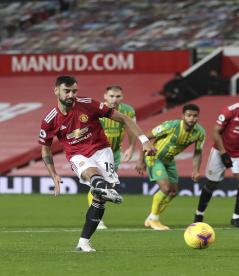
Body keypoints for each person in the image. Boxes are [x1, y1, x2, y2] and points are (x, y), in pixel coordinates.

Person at [38, 75, 155, 252]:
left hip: (102, 152)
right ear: (56, 91)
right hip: (77, 155)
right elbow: (45, 148)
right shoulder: (50, 120)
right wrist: (53, 174)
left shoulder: (88, 104)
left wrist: (144, 140)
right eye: (66, 91)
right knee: (94, 176)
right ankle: (103, 187)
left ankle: (83, 242)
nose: (71, 95)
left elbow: (125, 119)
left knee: (99, 201)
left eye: (74, 91)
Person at [193, 86, 239, 228]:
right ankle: (199, 213)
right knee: (212, 183)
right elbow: (215, 132)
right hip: (220, 150)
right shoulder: (230, 110)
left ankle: (236, 217)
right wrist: (223, 153)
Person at [136, 104, 206, 230]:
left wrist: (196, 170)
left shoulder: (200, 133)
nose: (192, 118)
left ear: (198, 117)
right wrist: (140, 160)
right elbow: (145, 137)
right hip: (155, 158)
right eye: (189, 115)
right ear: (183, 116)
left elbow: (198, 153)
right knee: (165, 188)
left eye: (195, 116)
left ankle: (151, 218)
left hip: (169, 161)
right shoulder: (171, 126)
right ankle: (154, 219)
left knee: (173, 192)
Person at [86, 85, 137, 230]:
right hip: (96, 150)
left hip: (114, 152)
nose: (115, 99)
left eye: (118, 96)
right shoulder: (97, 109)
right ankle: (95, 217)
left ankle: (96, 214)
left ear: (122, 97)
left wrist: (132, 147)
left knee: (108, 185)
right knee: (97, 183)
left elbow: (132, 128)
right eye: (112, 96)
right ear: (105, 96)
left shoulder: (128, 111)